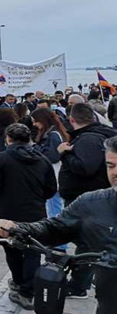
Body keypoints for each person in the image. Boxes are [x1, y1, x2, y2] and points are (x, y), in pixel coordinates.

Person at [0, 135, 117, 314]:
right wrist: (18, 228)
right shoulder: (92, 203)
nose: (114, 173)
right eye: (110, 166)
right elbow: (54, 227)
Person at [0, 124, 57, 309]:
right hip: (35, 213)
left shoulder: (1, 158)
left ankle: (20, 284)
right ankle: (27, 290)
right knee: (32, 252)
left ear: (8, 138)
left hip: (7, 213)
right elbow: (51, 189)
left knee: (12, 249)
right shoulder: (42, 159)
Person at [55, 102, 117, 297]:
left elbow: (85, 167)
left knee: (86, 245)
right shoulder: (97, 134)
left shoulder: (88, 138)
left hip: (86, 199)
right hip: (89, 198)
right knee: (88, 244)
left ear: (72, 120)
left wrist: (64, 154)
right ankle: (82, 282)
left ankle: (79, 285)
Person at [31, 108, 69, 245]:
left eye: (36, 121)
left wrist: (37, 151)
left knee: (55, 212)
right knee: (54, 209)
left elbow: (53, 156)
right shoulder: (51, 133)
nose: (35, 124)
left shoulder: (53, 135)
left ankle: (58, 244)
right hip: (52, 176)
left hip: (54, 177)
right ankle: (57, 241)